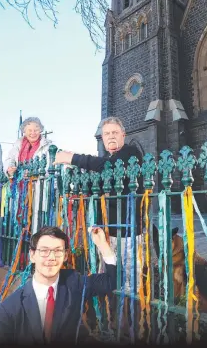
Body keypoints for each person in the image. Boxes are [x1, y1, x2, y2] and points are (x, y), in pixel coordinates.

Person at [54, 116, 144, 291]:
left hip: (127, 231)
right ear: (102, 138)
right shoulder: (104, 160)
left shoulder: (130, 152)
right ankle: (111, 312)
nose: (111, 136)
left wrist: (71, 157)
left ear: (123, 135)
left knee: (129, 282)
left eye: (115, 132)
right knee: (110, 276)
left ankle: (131, 314)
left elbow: (110, 167)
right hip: (106, 231)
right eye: (106, 133)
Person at [0, 226, 116, 344]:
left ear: (65, 256)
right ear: (32, 255)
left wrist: (102, 245)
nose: (51, 257)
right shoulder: (9, 310)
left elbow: (112, 281)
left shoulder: (74, 282)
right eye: (44, 251)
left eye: (58, 251)